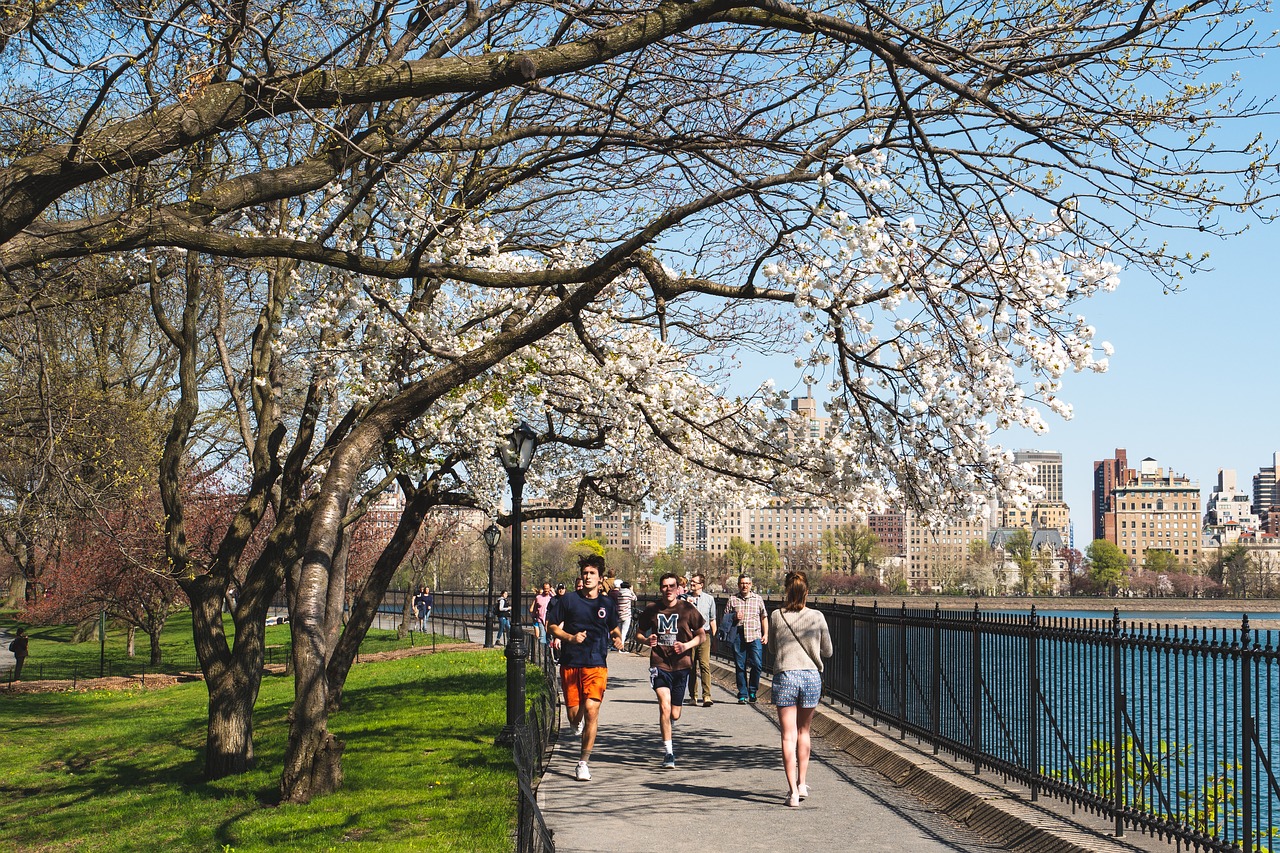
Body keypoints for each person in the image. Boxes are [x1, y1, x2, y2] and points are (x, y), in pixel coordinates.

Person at [548, 555, 622, 782]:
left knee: (592, 710)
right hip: (571, 663)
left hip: (597, 664)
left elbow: (614, 628)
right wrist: (570, 637)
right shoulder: (568, 600)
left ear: (600, 579)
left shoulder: (607, 603)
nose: (588, 577)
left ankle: (583, 763)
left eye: (592, 573)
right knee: (574, 716)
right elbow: (551, 626)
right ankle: (574, 720)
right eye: (585, 573)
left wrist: (618, 638)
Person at [769, 570, 832, 807]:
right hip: (810, 677)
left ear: (786, 590)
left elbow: (773, 649)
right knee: (804, 732)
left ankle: (793, 792)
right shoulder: (817, 616)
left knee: (788, 735)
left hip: (786, 674)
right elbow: (828, 651)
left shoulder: (777, 615)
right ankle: (803, 782)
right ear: (806, 591)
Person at [635, 572, 706, 768]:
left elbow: (702, 636)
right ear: (660, 588)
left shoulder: (687, 609)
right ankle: (669, 753)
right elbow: (638, 634)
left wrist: (686, 646)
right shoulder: (652, 610)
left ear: (678, 588)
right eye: (665, 586)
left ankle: (669, 725)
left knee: (674, 714)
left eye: (672, 586)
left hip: (682, 665)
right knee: (664, 707)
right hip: (660, 663)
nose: (668, 590)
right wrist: (647, 640)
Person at [727, 574, 768, 703]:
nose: (744, 586)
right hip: (738, 635)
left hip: (754, 634)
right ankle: (743, 693)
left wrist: (765, 634)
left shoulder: (758, 599)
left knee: (757, 664)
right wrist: (734, 616)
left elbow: (764, 617)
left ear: (751, 585)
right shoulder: (732, 599)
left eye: (747, 583)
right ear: (738, 585)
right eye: (742, 583)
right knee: (740, 666)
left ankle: (753, 690)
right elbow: (725, 618)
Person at [684, 574, 717, 706]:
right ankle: (693, 696)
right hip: (689, 636)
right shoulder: (684, 598)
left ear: (701, 585)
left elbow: (712, 619)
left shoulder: (709, 599)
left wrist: (714, 638)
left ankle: (707, 696)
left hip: (704, 635)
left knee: (704, 665)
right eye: (691, 583)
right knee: (691, 666)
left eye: (694, 583)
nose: (691, 585)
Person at [611, 580, 637, 652]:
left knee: (618, 632)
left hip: (619, 615)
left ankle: (616, 646)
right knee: (624, 632)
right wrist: (631, 591)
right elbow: (635, 598)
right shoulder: (628, 594)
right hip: (626, 615)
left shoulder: (619, 593)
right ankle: (621, 648)